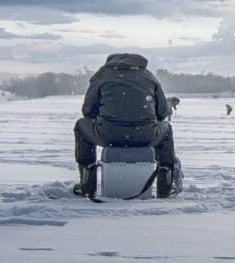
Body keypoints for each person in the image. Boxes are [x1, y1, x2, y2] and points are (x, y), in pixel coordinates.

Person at [73, 53, 177, 198]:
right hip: (145, 135)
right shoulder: (149, 77)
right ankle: (165, 183)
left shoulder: (102, 75)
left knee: (81, 126)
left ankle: (87, 181)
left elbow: (87, 111)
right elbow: (161, 113)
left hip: (108, 135)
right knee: (166, 129)